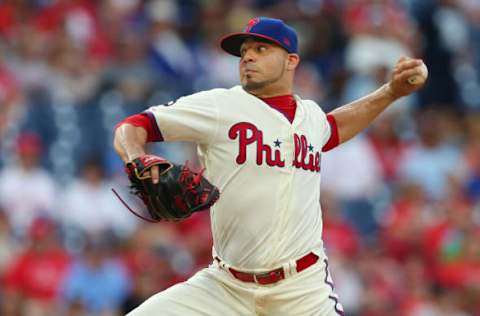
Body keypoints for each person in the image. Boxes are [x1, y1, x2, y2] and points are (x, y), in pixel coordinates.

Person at [113, 17, 426, 316]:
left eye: (261, 49)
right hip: (226, 286)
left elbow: (335, 126)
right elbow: (133, 126)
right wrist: (135, 157)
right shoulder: (221, 105)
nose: (248, 57)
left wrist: (391, 92)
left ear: (291, 60)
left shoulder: (311, 117)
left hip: (302, 289)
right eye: (244, 51)